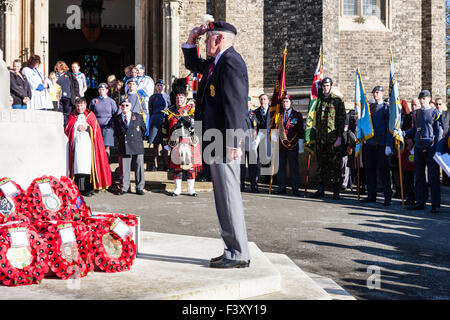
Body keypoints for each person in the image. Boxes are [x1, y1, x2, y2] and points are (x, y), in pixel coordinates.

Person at [182, 21, 250, 268]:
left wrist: (233, 142)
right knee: (223, 197)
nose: (205, 42)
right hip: (215, 137)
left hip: (224, 139)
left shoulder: (231, 62)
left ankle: (238, 253)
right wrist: (192, 38)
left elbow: (236, 105)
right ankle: (232, 248)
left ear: (219, 39)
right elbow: (193, 64)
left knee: (229, 196)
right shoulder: (218, 61)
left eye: (208, 38)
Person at [65, 97, 112, 197]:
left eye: (81, 105)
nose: (79, 108)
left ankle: (88, 189)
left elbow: (96, 130)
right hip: (76, 146)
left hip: (88, 147)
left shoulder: (91, 115)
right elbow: (68, 128)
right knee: (77, 166)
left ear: (85, 106)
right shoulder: (72, 115)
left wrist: (87, 128)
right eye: (78, 106)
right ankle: (77, 189)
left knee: (87, 166)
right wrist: (75, 127)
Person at [162, 79, 202, 197]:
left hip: (189, 141)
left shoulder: (192, 110)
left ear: (185, 98)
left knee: (190, 168)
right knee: (177, 168)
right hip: (175, 143)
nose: (179, 100)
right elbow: (164, 128)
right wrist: (165, 142)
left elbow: (199, 124)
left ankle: (191, 189)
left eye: (181, 98)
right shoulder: (169, 111)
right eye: (177, 98)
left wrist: (197, 136)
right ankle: (177, 189)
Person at [406, 90, 443, 213]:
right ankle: (421, 201)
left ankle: (435, 204)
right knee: (420, 177)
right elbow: (414, 130)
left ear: (429, 99)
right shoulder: (416, 114)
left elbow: (439, 132)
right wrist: (404, 133)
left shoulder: (435, 113)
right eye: (420, 98)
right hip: (418, 147)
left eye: (424, 98)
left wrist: (438, 149)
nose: (421, 100)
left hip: (431, 148)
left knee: (433, 177)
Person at [311, 77, 346, 200]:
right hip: (321, 139)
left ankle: (336, 190)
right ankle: (321, 188)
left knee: (335, 166)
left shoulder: (337, 101)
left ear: (331, 86)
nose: (325, 87)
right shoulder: (318, 101)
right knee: (322, 164)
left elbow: (342, 121)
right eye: (323, 86)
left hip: (333, 139)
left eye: (327, 85)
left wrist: (340, 137)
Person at [360, 86, 393, 206]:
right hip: (370, 143)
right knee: (370, 171)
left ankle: (387, 197)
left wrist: (388, 144)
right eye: (374, 93)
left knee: (384, 172)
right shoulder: (370, 108)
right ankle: (371, 195)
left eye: (377, 92)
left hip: (382, 143)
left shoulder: (386, 108)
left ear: (382, 94)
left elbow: (389, 128)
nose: (375, 95)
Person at [113, 97, 147, 196]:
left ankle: (139, 187)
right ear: (120, 107)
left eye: (127, 105)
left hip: (137, 144)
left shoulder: (138, 116)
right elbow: (116, 133)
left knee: (139, 167)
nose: (124, 107)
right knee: (124, 168)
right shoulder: (117, 118)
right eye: (122, 105)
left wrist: (137, 138)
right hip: (124, 144)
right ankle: (124, 187)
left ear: (130, 106)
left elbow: (143, 130)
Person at [273, 94, 304, 196]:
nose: (285, 103)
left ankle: (295, 188)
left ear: (291, 103)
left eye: (287, 101)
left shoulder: (297, 115)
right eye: (283, 102)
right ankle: (282, 187)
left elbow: (301, 131)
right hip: (281, 146)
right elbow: (276, 131)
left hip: (293, 146)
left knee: (294, 168)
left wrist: (300, 145)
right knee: (281, 168)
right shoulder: (279, 116)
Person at [89, 83, 119, 158]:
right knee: (97, 145)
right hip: (97, 125)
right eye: (99, 89)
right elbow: (90, 113)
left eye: (103, 89)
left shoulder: (111, 101)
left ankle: (106, 163)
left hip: (108, 125)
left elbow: (115, 113)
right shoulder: (94, 101)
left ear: (106, 90)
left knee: (106, 147)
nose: (101, 91)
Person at [148, 79, 171, 171]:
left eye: (161, 85)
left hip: (164, 123)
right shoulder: (152, 97)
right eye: (158, 85)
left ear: (164, 86)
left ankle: (166, 165)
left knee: (165, 144)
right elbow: (150, 110)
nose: (160, 87)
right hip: (155, 122)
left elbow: (170, 109)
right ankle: (155, 164)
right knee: (155, 144)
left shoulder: (167, 97)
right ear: (156, 87)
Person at [240, 97, 259, 193]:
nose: (247, 104)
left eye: (249, 102)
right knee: (241, 166)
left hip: (251, 143)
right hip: (241, 143)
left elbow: (255, 127)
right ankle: (241, 185)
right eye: (245, 102)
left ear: (251, 103)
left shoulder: (253, 114)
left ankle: (254, 186)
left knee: (253, 166)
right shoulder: (239, 113)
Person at [253, 93, 271, 184]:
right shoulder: (256, 112)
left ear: (268, 100)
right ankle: (265, 178)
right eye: (261, 99)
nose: (262, 101)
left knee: (271, 159)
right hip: (260, 138)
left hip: (271, 138)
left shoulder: (273, 110)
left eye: (264, 99)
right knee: (262, 159)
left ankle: (272, 180)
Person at [54, 61, 80, 126]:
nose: (59, 69)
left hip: (68, 98)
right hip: (58, 98)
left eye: (61, 67)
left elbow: (76, 84)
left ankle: (66, 128)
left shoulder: (69, 75)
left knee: (67, 114)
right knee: (59, 113)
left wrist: (77, 95)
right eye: (58, 68)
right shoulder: (55, 75)